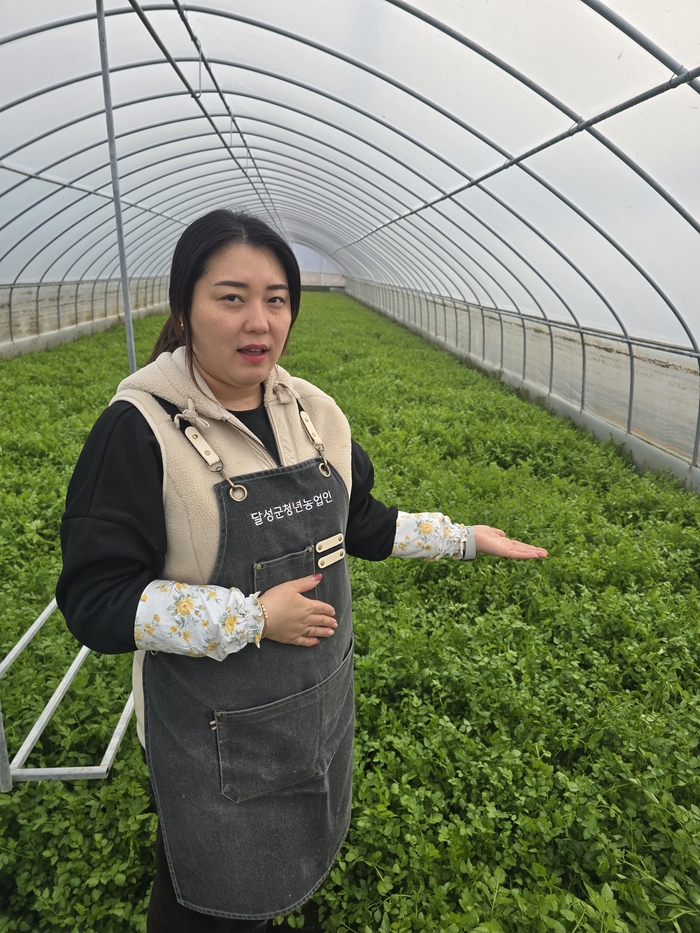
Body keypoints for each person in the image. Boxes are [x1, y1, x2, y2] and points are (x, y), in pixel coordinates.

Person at [57, 209, 547, 932]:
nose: (259, 320)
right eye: (232, 297)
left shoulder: (313, 413)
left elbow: (362, 523)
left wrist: (463, 538)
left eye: (277, 298)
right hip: (207, 733)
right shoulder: (140, 429)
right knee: (204, 897)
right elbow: (95, 600)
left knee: (292, 858)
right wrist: (252, 617)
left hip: (309, 710)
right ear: (185, 306)